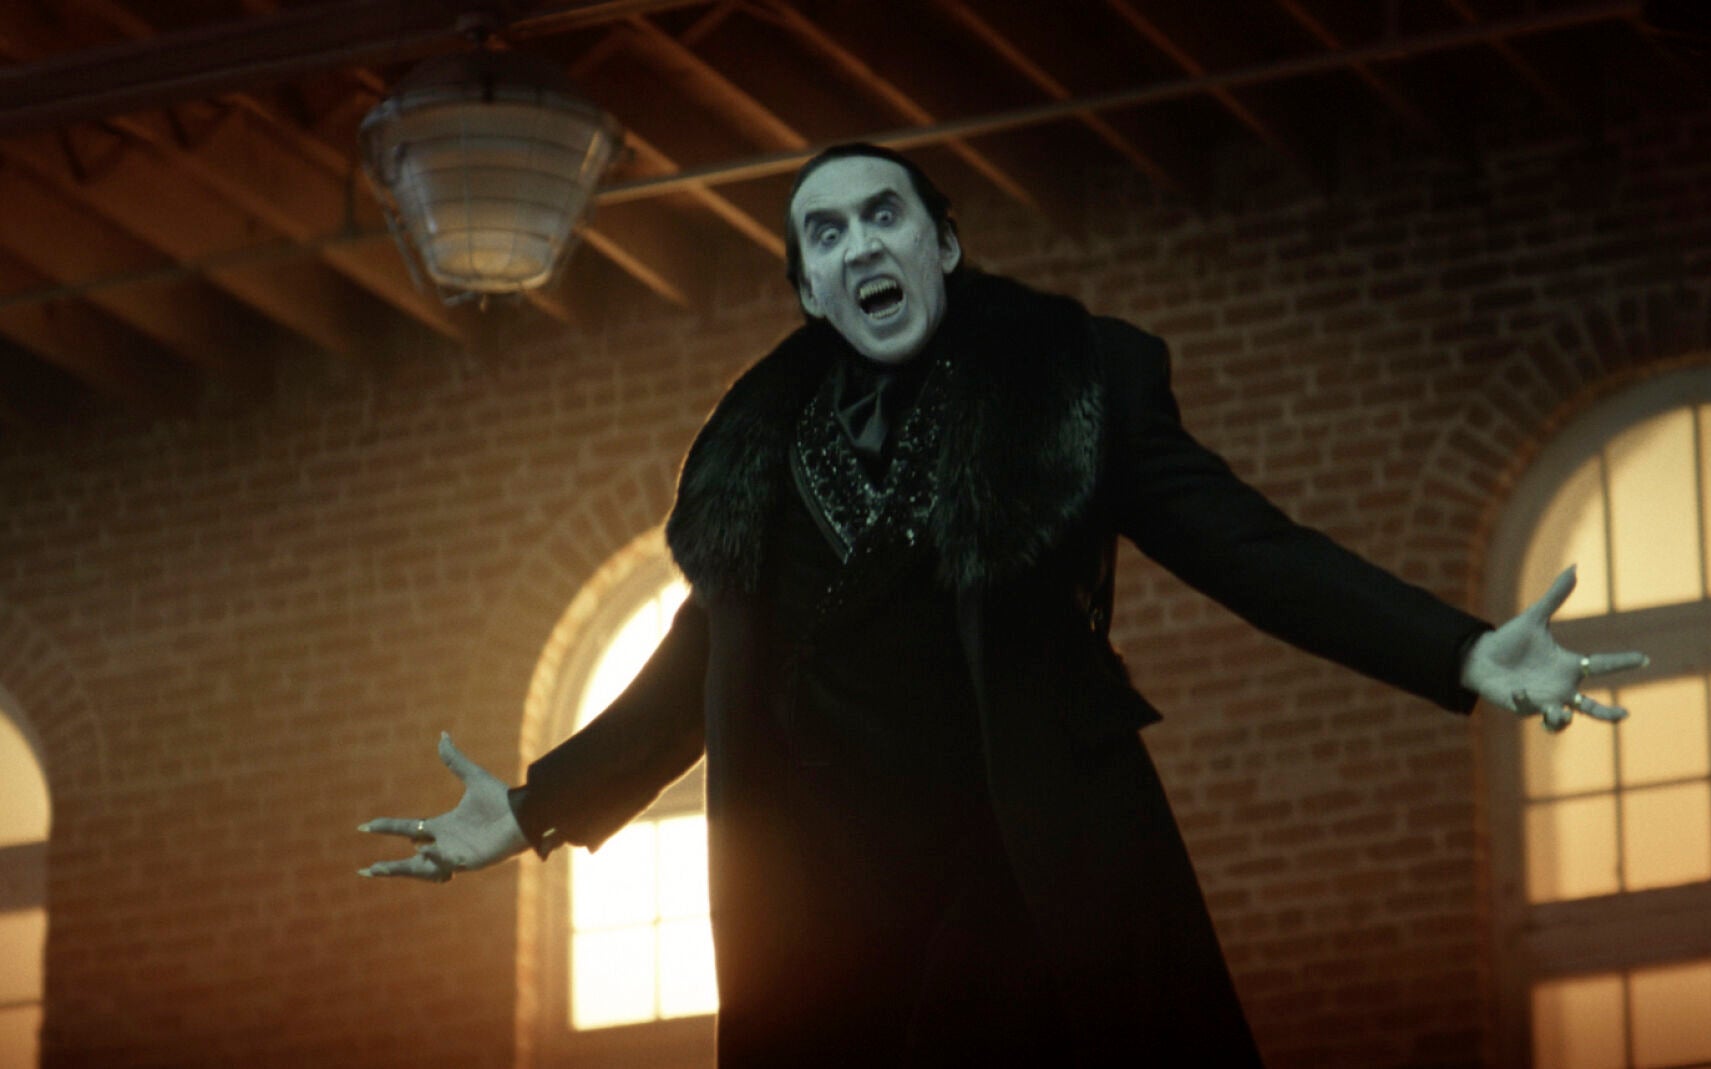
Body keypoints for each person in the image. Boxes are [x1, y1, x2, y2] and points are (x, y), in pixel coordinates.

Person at [360, 142, 1646, 1066]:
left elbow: (1249, 547)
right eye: (825, 234)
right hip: (832, 914)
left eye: (884, 216)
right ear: (807, 292)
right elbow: (694, 671)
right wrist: (532, 808)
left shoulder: (1070, 392)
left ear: (943, 245)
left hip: (1029, 890)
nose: (860, 243)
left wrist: (1460, 651)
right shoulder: (759, 464)